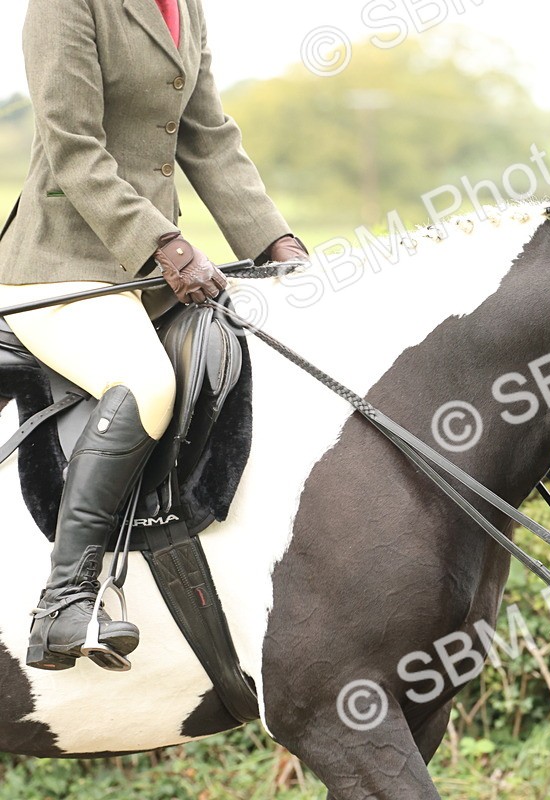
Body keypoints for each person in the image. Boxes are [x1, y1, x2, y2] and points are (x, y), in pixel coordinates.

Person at [0, 0, 309, 672]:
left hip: (144, 278)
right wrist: (163, 242)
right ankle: (64, 601)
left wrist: (276, 242)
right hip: (60, 269)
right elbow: (72, 144)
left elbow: (207, 133)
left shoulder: (184, 5)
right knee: (144, 383)